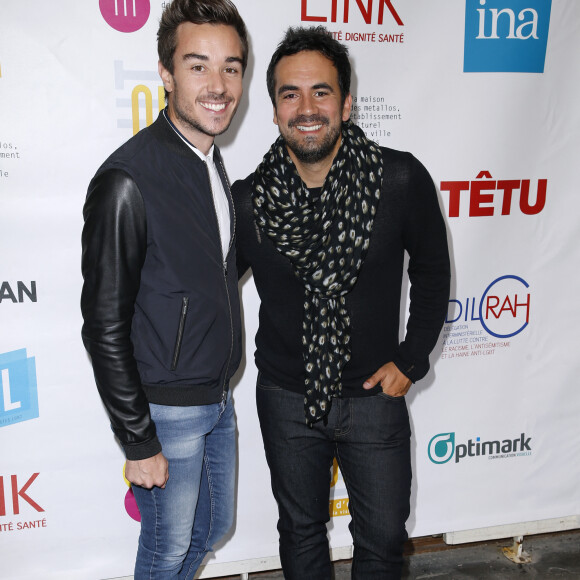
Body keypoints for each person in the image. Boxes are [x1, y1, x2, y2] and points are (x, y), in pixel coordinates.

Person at [232, 26, 450, 579]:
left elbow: (431, 272)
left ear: (346, 103)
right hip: (285, 396)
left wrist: (411, 359)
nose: (307, 108)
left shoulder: (399, 179)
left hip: (375, 397)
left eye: (321, 92)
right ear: (276, 110)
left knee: (381, 541)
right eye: (290, 94)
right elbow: (209, 289)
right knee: (300, 532)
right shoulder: (250, 201)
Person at [81, 1, 248, 577]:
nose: (218, 85)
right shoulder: (129, 180)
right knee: (167, 546)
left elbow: (206, 270)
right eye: (198, 66)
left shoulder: (209, 162)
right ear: (166, 72)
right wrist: (138, 439)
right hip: (165, 410)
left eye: (231, 67)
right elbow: (102, 326)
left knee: (213, 527)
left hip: (217, 394)